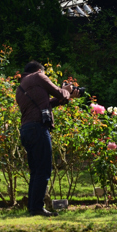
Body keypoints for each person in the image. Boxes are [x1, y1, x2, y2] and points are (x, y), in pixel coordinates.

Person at [15, 62, 81, 216]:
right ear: (40, 70)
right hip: (38, 128)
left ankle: (33, 208)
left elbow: (45, 104)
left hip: (26, 130)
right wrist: (66, 91)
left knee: (36, 170)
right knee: (43, 169)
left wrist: (66, 96)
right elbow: (60, 93)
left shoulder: (21, 87)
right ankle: (37, 208)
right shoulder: (38, 76)